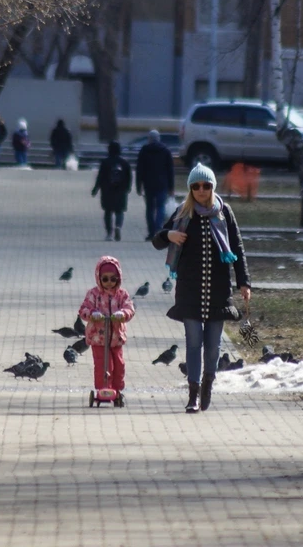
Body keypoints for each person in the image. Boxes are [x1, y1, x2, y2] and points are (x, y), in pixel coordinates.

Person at [152, 163, 250, 414]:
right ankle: (193, 394)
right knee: (193, 342)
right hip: (190, 291)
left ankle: (208, 383)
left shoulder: (224, 212)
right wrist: (169, 235)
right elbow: (157, 239)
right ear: (190, 189)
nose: (202, 190)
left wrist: (244, 282)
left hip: (218, 292)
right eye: (196, 186)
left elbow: (237, 248)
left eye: (206, 185)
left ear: (213, 187)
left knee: (214, 345)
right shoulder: (183, 213)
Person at [78, 256, 135, 403]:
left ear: (118, 278)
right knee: (104, 364)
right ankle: (103, 389)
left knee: (119, 365)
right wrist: (92, 314)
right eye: (105, 279)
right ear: (99, 278)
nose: (109, 283)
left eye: (113, 279)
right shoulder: (94, 295)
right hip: (99, 337)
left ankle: (116, 390)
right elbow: (83, 309)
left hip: (116, 337)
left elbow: (129, 308)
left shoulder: (122, 294)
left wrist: (122, 314)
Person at [136, 129, 175, 240]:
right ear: (159, 138)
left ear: (149, 139)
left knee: (149, 208)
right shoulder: (165, 151)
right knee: (160, 207)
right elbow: (170, 170)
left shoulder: (144, 151)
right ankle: (158, 230)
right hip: (162, 184)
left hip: (148, 184)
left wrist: (139, 185)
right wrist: (171, 187)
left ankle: (151, 232)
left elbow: (140, 169)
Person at [92, 141, 132, 241]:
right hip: (121, 191)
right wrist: (127, 188)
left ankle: (109, 233)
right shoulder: (124, 162)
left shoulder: (105, 162)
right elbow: (129, 177)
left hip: (107, 190)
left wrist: (96, 189)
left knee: (108, 212)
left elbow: (100, 177)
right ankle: (118, 226)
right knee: (119, 211)